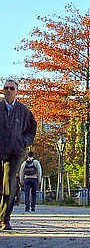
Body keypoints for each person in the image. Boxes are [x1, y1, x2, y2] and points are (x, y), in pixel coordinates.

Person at [0, 79, 37, 230]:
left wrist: (24, 142)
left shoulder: (23, 111)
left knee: (9, 183)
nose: (8, 90)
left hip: (15, 152)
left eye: (11, 88)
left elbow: (32, 128)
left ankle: (5, 218)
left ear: (17, 91)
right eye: (6, 88)